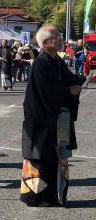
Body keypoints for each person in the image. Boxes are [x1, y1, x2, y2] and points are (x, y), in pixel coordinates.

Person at [20, 25, 85, 206]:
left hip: (53, 118)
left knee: (53, 159)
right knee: (39, 158)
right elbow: (48, 91)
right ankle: (34, 198)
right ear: (47, 42)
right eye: (57, 36)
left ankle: (50, 196)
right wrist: (68, 91)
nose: (61, 39)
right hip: (40, 119)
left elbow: (68, 79)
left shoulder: (56, 60)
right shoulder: (41, 63)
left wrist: (83, 78)